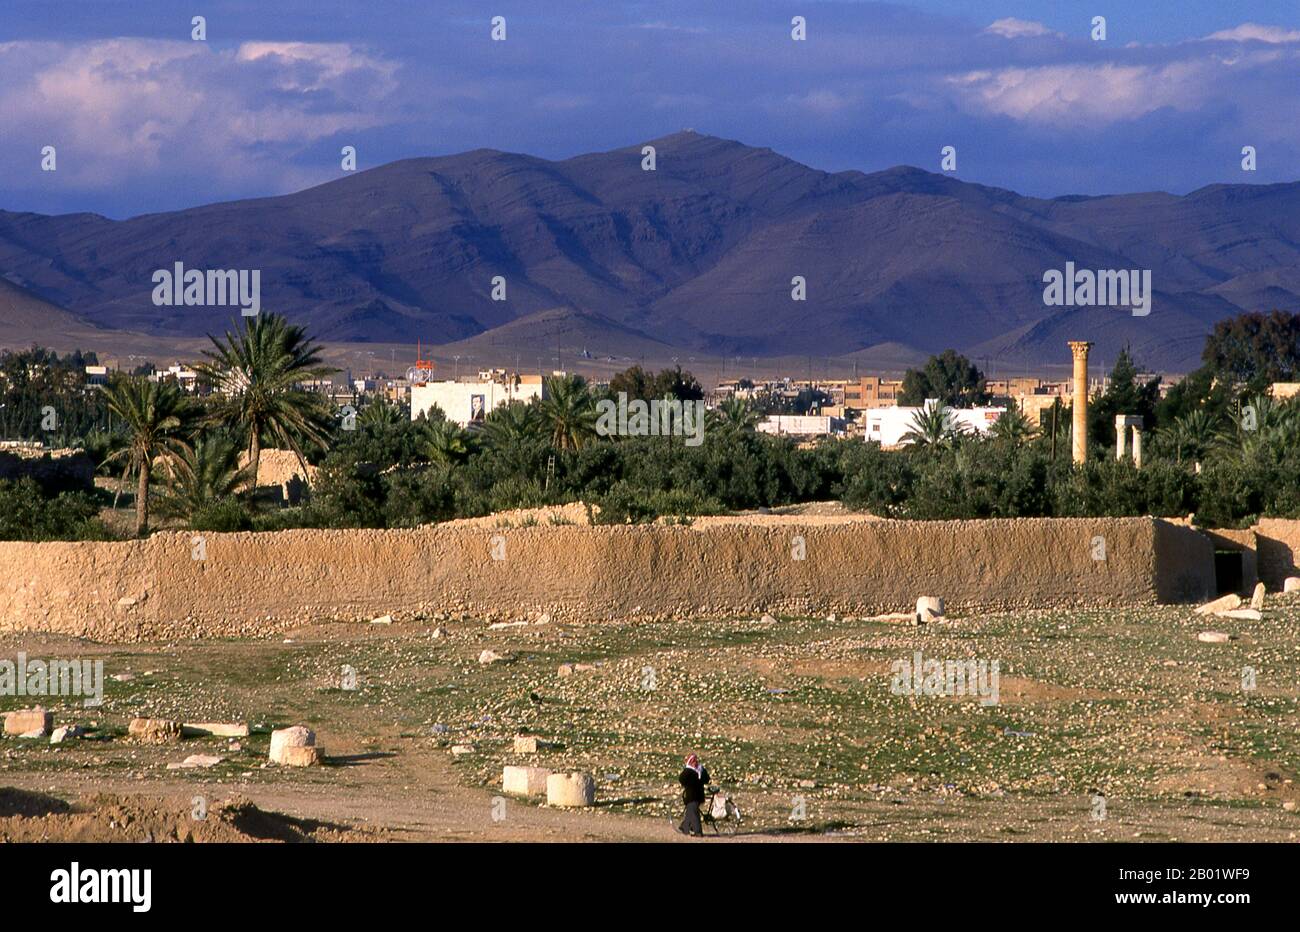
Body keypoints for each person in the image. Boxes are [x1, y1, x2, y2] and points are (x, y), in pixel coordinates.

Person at [678, 753, 710, 836]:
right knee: (691, 811)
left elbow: (681, 780)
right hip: (700, 795)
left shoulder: (688, 770)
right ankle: (685, 826)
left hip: (691, 795)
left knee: (693, 812)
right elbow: (707, 779)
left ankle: (698, 831)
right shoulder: (701, 769)